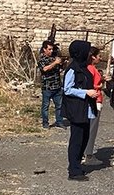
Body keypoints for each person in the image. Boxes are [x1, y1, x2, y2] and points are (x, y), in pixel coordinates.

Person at [61, 40, 99, 181]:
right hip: (77, 108)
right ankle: (74, 170)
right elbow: (67, 89)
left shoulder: (83, 67)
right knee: (76, 140)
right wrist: (85, 92)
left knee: (84, 138)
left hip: (86, 108)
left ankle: (77, 164)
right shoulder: (72, 69)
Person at [83, 49, 104, 163]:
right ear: (93, 57)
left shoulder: (90, 68)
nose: (100, 58)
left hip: (94, 99)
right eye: (98, 56)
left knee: (89, 127)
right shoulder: (91, 68)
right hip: (95, 99)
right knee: (92, 129)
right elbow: (92, 84)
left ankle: (85, 153)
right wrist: (100, 84)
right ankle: (88, 154)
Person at [38, 40, 64, 128]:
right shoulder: (42, 59)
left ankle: (59, 121)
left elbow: (59, 69)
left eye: (52, 49)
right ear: (44, 49)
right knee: (45, 106)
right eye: (49, 49)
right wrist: (55, 63)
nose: (51, 51)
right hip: (47, 86)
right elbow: (44, 69)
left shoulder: (53, 58)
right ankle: (45, 123)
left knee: (59, 105)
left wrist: (61, 64)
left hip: (57, 85)